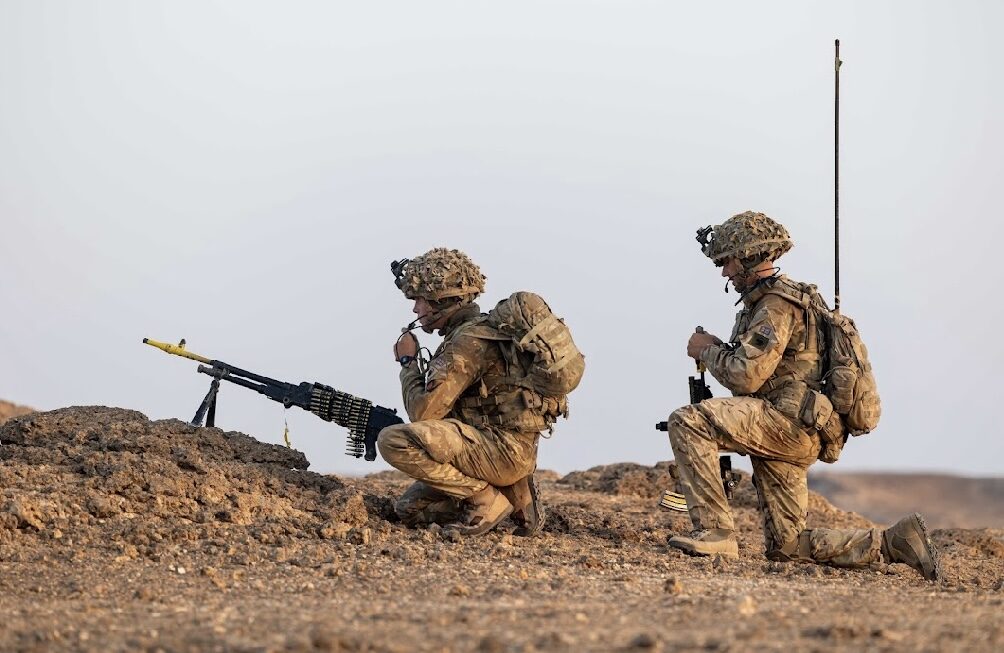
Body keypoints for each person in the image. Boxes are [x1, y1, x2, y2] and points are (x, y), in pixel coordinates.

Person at [663, 210, 940, 580]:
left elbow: (745, 377)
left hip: (784, 423)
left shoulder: (776, 306)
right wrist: (720, 348)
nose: (724, 272)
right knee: (788, 546)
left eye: (727, 262)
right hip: (798, 426)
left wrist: (705, 352)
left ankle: (715, 532)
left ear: (748, 256)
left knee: (689, 421)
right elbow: (757, 374)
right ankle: (894, 543)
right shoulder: (777, 303)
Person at [377, 248, 552, 536]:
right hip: (509, 448)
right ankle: (514, 494)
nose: (415, 309)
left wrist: (408, 363)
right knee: (409, 509)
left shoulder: (467, 342)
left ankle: (483, 499)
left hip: (499, 451)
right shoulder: (481, 331)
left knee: (393, 440)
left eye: (419, 300)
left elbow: (423, 413)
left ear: (441, 301)